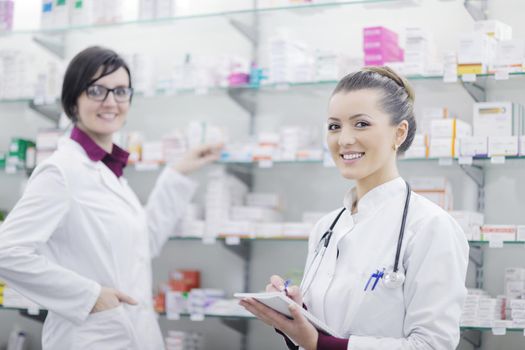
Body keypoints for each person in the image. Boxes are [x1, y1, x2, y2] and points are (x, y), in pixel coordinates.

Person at [0, 46, 222, 350]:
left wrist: (179, 172)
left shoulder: (106, 171)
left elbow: (144, 243)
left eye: (120, 91)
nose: (111, 102)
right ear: (73, 100)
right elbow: (7, 252)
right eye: (96, 91)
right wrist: (90, 296)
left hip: (134, 334)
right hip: (91, 338)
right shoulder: (61, 171)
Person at [240, 66, 469, 350]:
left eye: (361, 124)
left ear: (399, 133)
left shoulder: (431, 227)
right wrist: (296, 314)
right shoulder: (326, 227)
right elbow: (322, 332)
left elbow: (433, 346)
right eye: (334, 126)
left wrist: (320, 345)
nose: (344, 139)